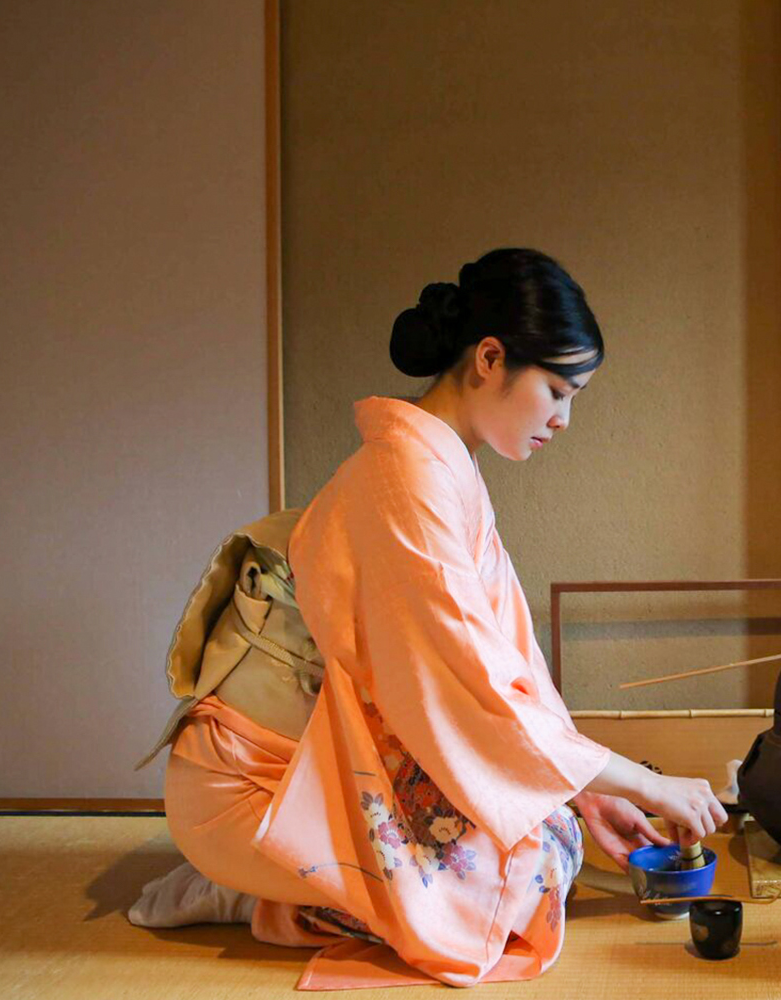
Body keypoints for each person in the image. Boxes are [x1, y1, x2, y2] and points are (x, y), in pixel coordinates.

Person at [130, 248, 727, 988]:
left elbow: (510, 668)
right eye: (556, 391)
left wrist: (585, 789)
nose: (564, 419)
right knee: (518, 886)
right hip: (252, 786)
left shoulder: (444, 470)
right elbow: (467, 693)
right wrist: (645, 782)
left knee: (557, 837)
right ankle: (249, 887)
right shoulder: (405, 478)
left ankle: (310, 886)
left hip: (328, 760)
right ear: (488, 357)